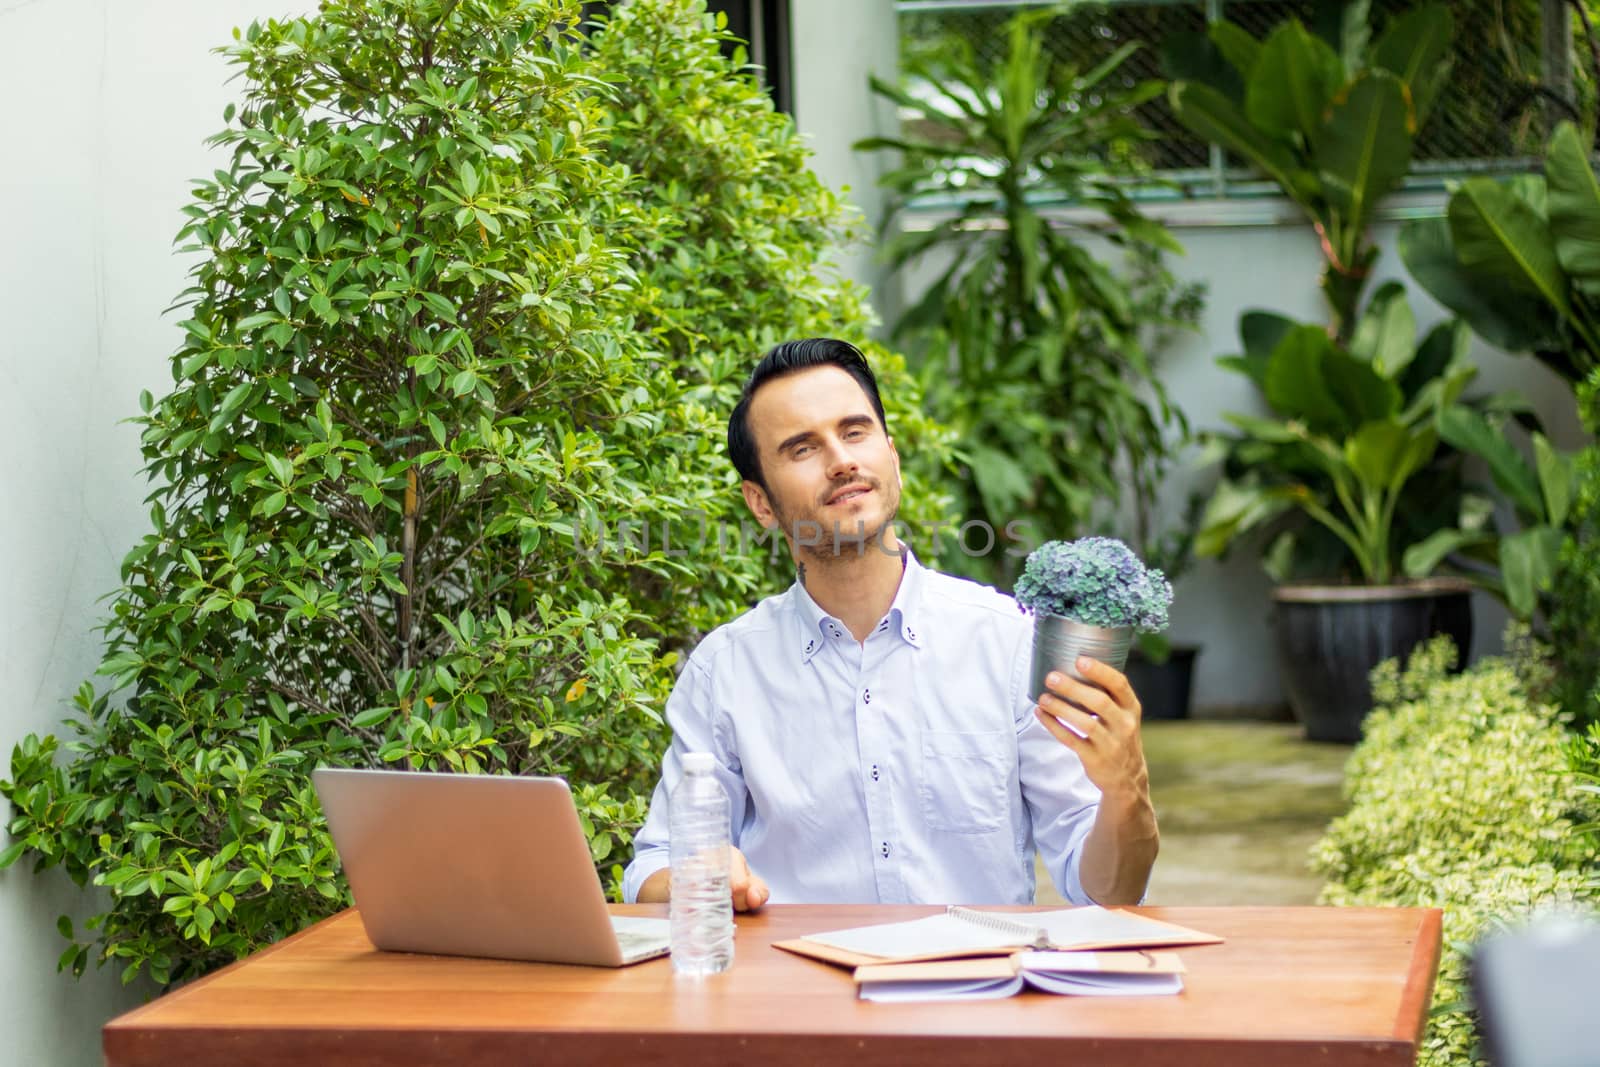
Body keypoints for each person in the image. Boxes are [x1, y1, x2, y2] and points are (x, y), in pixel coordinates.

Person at [622, 338, 1158, 909]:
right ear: (760, 502)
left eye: (855, 432)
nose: (841, 460)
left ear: (892, 457)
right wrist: (696, 876)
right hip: (795, 993)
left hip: (974, 987)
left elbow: (1104, 890)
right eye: (802, 448)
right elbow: (654, 865)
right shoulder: (725, 670)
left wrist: (1128, 790)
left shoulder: (1008, 641)